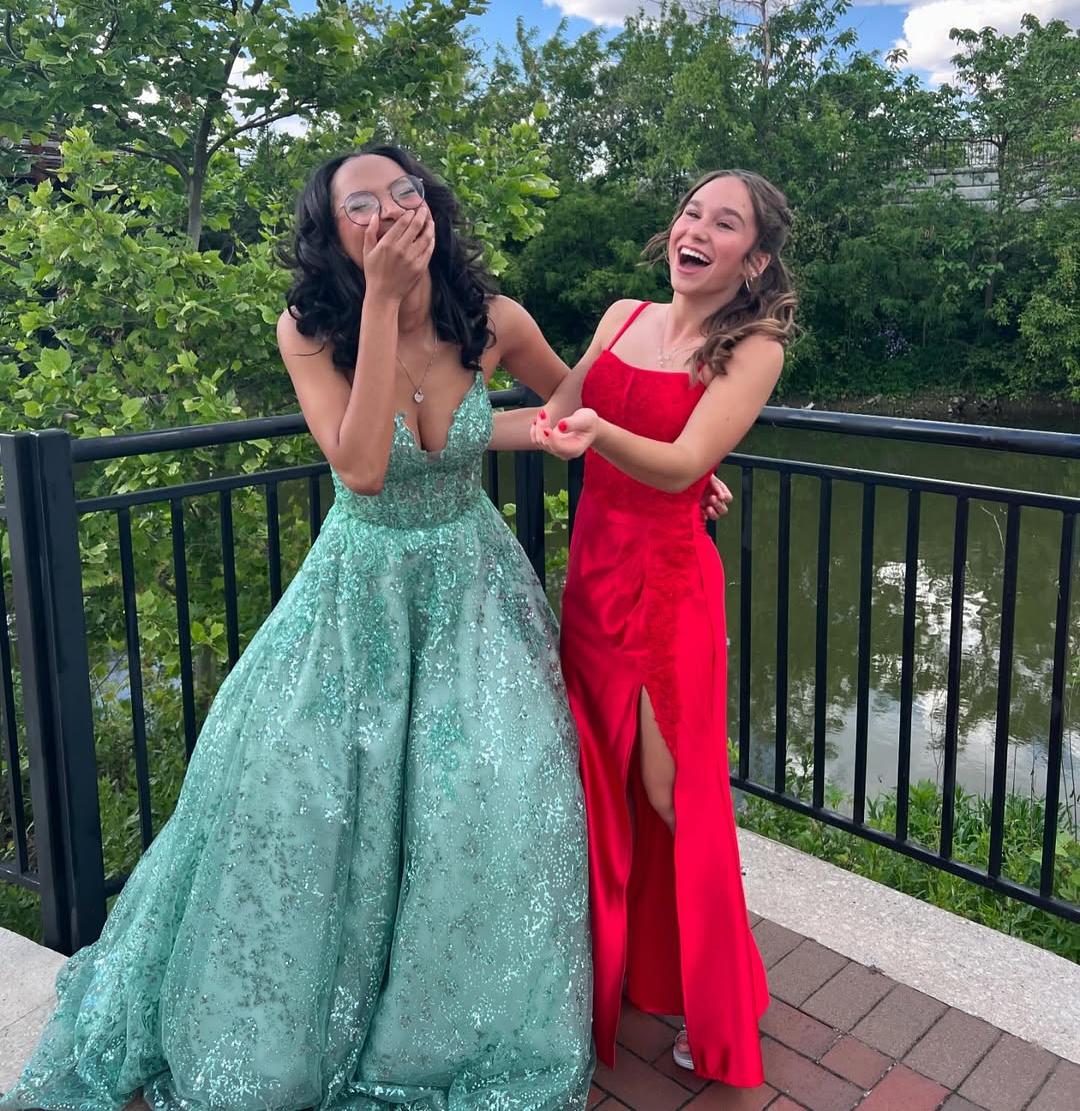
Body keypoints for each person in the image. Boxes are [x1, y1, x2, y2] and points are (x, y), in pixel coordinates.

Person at [2, 146, 595, 1111]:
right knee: (301, 786)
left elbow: (569, 400)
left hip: (474, 590)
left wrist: (544, 434)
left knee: (491, 789)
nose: (390, 211)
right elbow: (362, 468)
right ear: (335, 235)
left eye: (404, 191)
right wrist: (379, 303)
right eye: (361, 205)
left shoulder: (493, 320)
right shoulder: (311, 330)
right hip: (359, 592)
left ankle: (443, 1026)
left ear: (432, 206)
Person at [531, 169, 797, 1087]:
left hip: (667, 588)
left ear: (752, 260)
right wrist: (426, 434)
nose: (697, 230)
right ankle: (633, 969)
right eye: (691, 213)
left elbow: (683, 464)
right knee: (597, 783)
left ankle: (721, 997)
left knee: (670, 791)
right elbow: (552, 416)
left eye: (725, 224)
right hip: (593, 583)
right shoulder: (621, 316)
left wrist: (600, 434)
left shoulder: (752, 348)